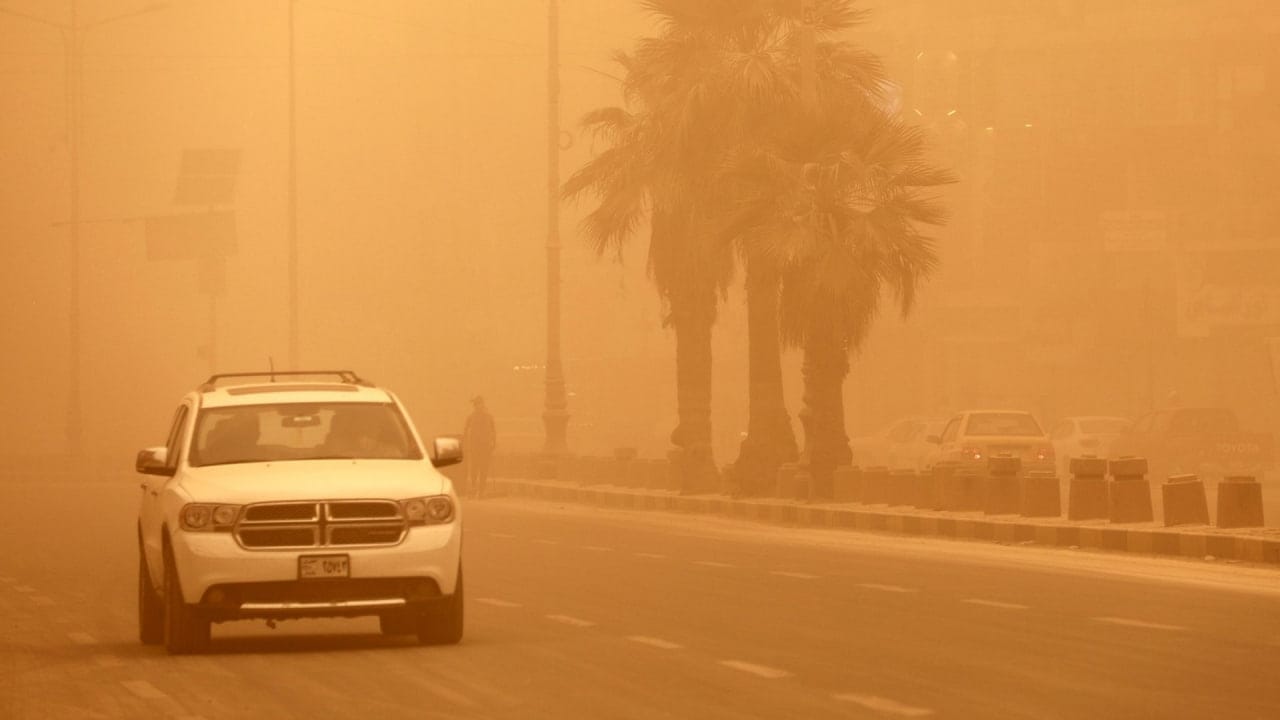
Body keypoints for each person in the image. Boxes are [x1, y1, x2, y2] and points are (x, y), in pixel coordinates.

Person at [463, 396, 496, 498]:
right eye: (477, 405)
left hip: (485, 447)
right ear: (475, 406)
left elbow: (493, 431)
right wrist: (466, 444)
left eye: (480, 404)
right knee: (474, 468)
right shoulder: (471, 417)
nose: (479, 406)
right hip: (474, 447)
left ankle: (481, 491)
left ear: (483, 404)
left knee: (484, 469)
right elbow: (466, 431)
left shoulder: (488, 417)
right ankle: (473, 488)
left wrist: (493, 443)